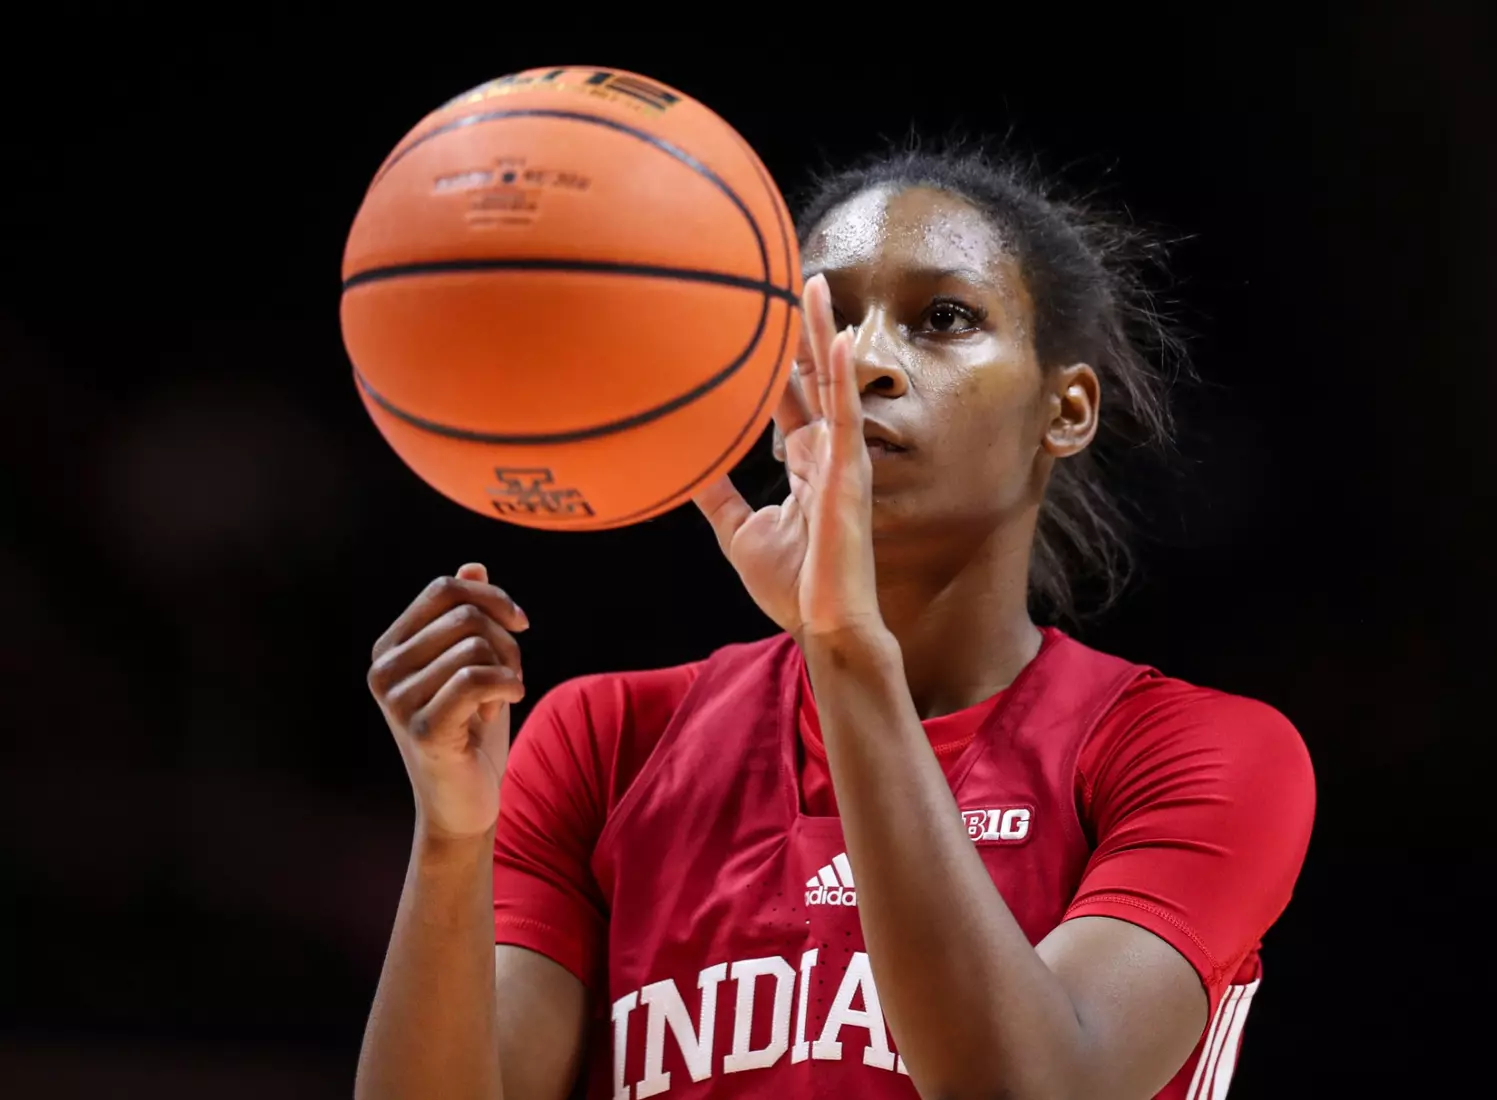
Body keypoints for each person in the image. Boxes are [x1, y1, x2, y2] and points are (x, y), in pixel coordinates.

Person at [354, 146, 1316, 1100]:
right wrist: (449, 842)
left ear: (1065, 409)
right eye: (825, 324)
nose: (861, 363)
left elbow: (1027, 1088)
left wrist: (843, 639)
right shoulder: (604, 743)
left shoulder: (1200, 753)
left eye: (943, 319)